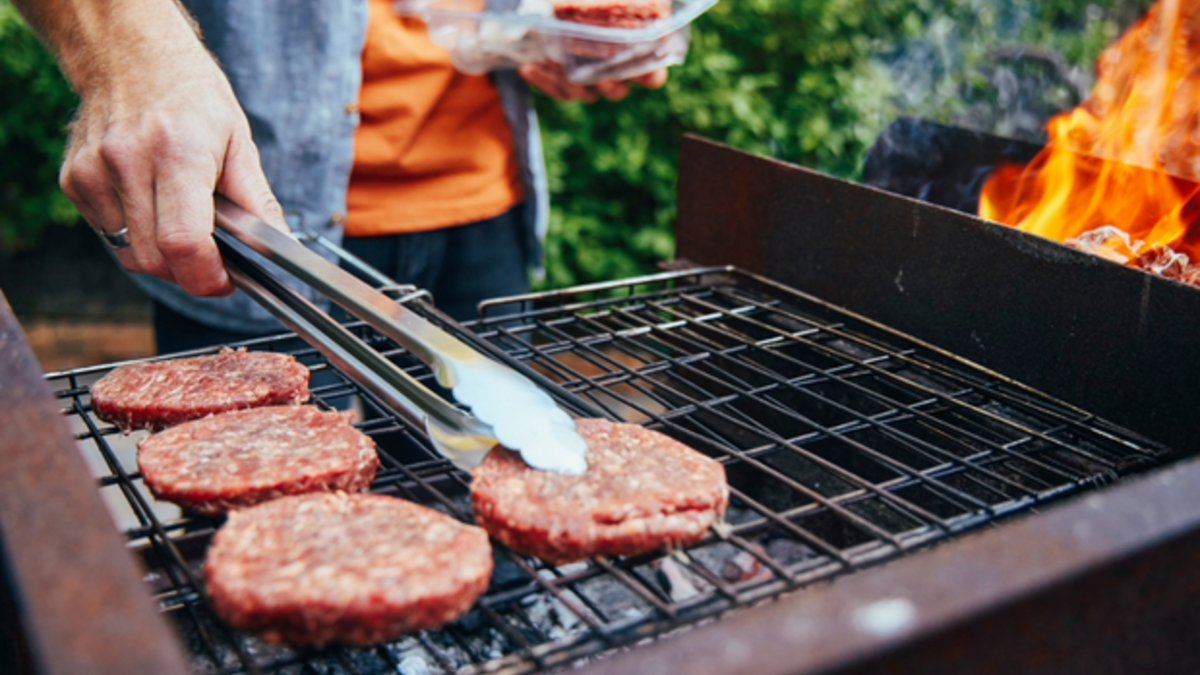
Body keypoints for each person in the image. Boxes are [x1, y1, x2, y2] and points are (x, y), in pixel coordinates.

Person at [12, 0, 666, 353]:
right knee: (268, 560)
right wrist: (129, 53)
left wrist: (555, 28)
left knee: (497, 545)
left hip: (486, 216)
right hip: (254, 232)